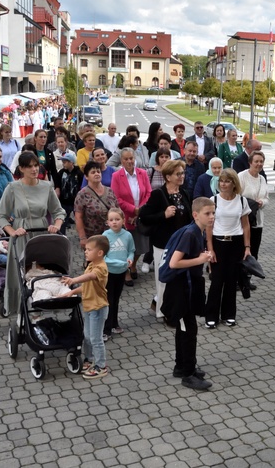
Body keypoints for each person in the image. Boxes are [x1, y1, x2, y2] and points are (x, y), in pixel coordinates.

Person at [0, 152, 66, 315]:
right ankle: (21, 310)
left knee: (41, 270)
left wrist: (56, 225)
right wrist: (12, 231)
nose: (34, 169)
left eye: (36, 165)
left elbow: (59, 211)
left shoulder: (46, 186)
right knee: (22, 273)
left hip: (42, 233)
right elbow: (0, 216)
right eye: (29, 166)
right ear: (21, 169)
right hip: (21, 235)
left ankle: (40, 306)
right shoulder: (12, 188)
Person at [162, 197, 215, 391]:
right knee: (188, 330)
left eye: (213, 213)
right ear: (195, 215)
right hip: (180, 290)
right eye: (207, 213)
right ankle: (188, 373)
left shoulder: (196, 231)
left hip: (187, 288)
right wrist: (200, 259)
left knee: (185, 328)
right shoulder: (191, 234)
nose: (211, 217)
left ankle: (181, 365)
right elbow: (174, 263)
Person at [136, 160, 192, 320]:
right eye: (178, 174)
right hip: (164, 244)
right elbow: (144, 216)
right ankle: (162, 311)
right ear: (168, 176)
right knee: (163, 278)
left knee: (178, 278)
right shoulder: (158, 194)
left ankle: (164, 304)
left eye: (182, 173)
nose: (182, 176)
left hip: (181, 244)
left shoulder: (184, 193)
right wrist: (163, 214)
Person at [205, 169, 251, 329]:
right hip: (218, 242)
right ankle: (210, 316)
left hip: (236, 244)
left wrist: (247, 247)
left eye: (227, 181)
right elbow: (208, 228)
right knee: (217, 281)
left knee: (232, 281)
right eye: (221, 181)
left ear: (233, 183)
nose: (223, 184)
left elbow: (246, 225)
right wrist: (210, 249)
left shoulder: (242, 201)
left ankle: (229, 315)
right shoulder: (214, 200)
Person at [62, 235, 111, 380]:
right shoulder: (91, 264)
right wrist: (73, 291)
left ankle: (101, 366)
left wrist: (73, 280)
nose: (85, 251)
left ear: (100, 253)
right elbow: (86, 286)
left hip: (98, 308)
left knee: (96, 338)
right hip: (89, 307)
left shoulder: (101, 268)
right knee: (87, 336)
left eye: (89, 249)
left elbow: (90, 277)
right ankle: (89, 359)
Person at [110, 148, 152, 286]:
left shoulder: (143, 173)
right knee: (126, 247)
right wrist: (133, 210)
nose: (129, 161)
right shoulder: (117, 176)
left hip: (141, 215)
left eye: (131, 158)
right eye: (126, 159)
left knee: (140, 245)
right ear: (121, 161)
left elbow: (148, 193)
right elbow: (117, 198)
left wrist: (140, 211)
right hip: (125, 217)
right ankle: (127, 272)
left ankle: (133, 265)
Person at [238, 151, 270, 284]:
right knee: (242, 249)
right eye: (256, 161)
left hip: (258, 220)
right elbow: (236, 197)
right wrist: (250, 203)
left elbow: (267, 197)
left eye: (261, 161)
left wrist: (262, 202)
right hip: (243, 220)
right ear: (250, 162)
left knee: (254, 251)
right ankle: (238, 279)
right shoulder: (242, 176)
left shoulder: (262, 178)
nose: (259, 164)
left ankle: (247, 279)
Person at [102, 208, 135, 341]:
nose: (114, 222)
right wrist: (118, 262)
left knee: (116, 299)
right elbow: (102, 256)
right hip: (109, 273)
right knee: (108, 300)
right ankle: (106, 329)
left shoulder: (127, 235)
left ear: (123, 220)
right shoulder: (105, 235)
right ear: (107, 222)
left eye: (117, 219)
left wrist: (130, 259)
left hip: (121, 272)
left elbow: (131, 250)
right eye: (111, 220)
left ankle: (114, 324)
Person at [74, 161, 119, 250]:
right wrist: (82, 237)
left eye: (98, 171)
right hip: (93, 238)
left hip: (112, 236)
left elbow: (118, 210)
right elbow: (78, 217)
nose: (97, 174)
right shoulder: (82, 194)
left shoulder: (109, 191)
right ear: (86, 177)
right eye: (93, 172)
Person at [53, 153, 84, 236]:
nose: (63, 164)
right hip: (64, 201)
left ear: (71, 162)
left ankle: (82, 234)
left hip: (76, 201)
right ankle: (61, 235)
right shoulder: (61, 172)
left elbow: (82, 185)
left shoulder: (79, 173)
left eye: (65, 162)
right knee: (63, 220)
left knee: (79, 219)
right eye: (63, 162)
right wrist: (57, 188)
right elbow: (57, 183)